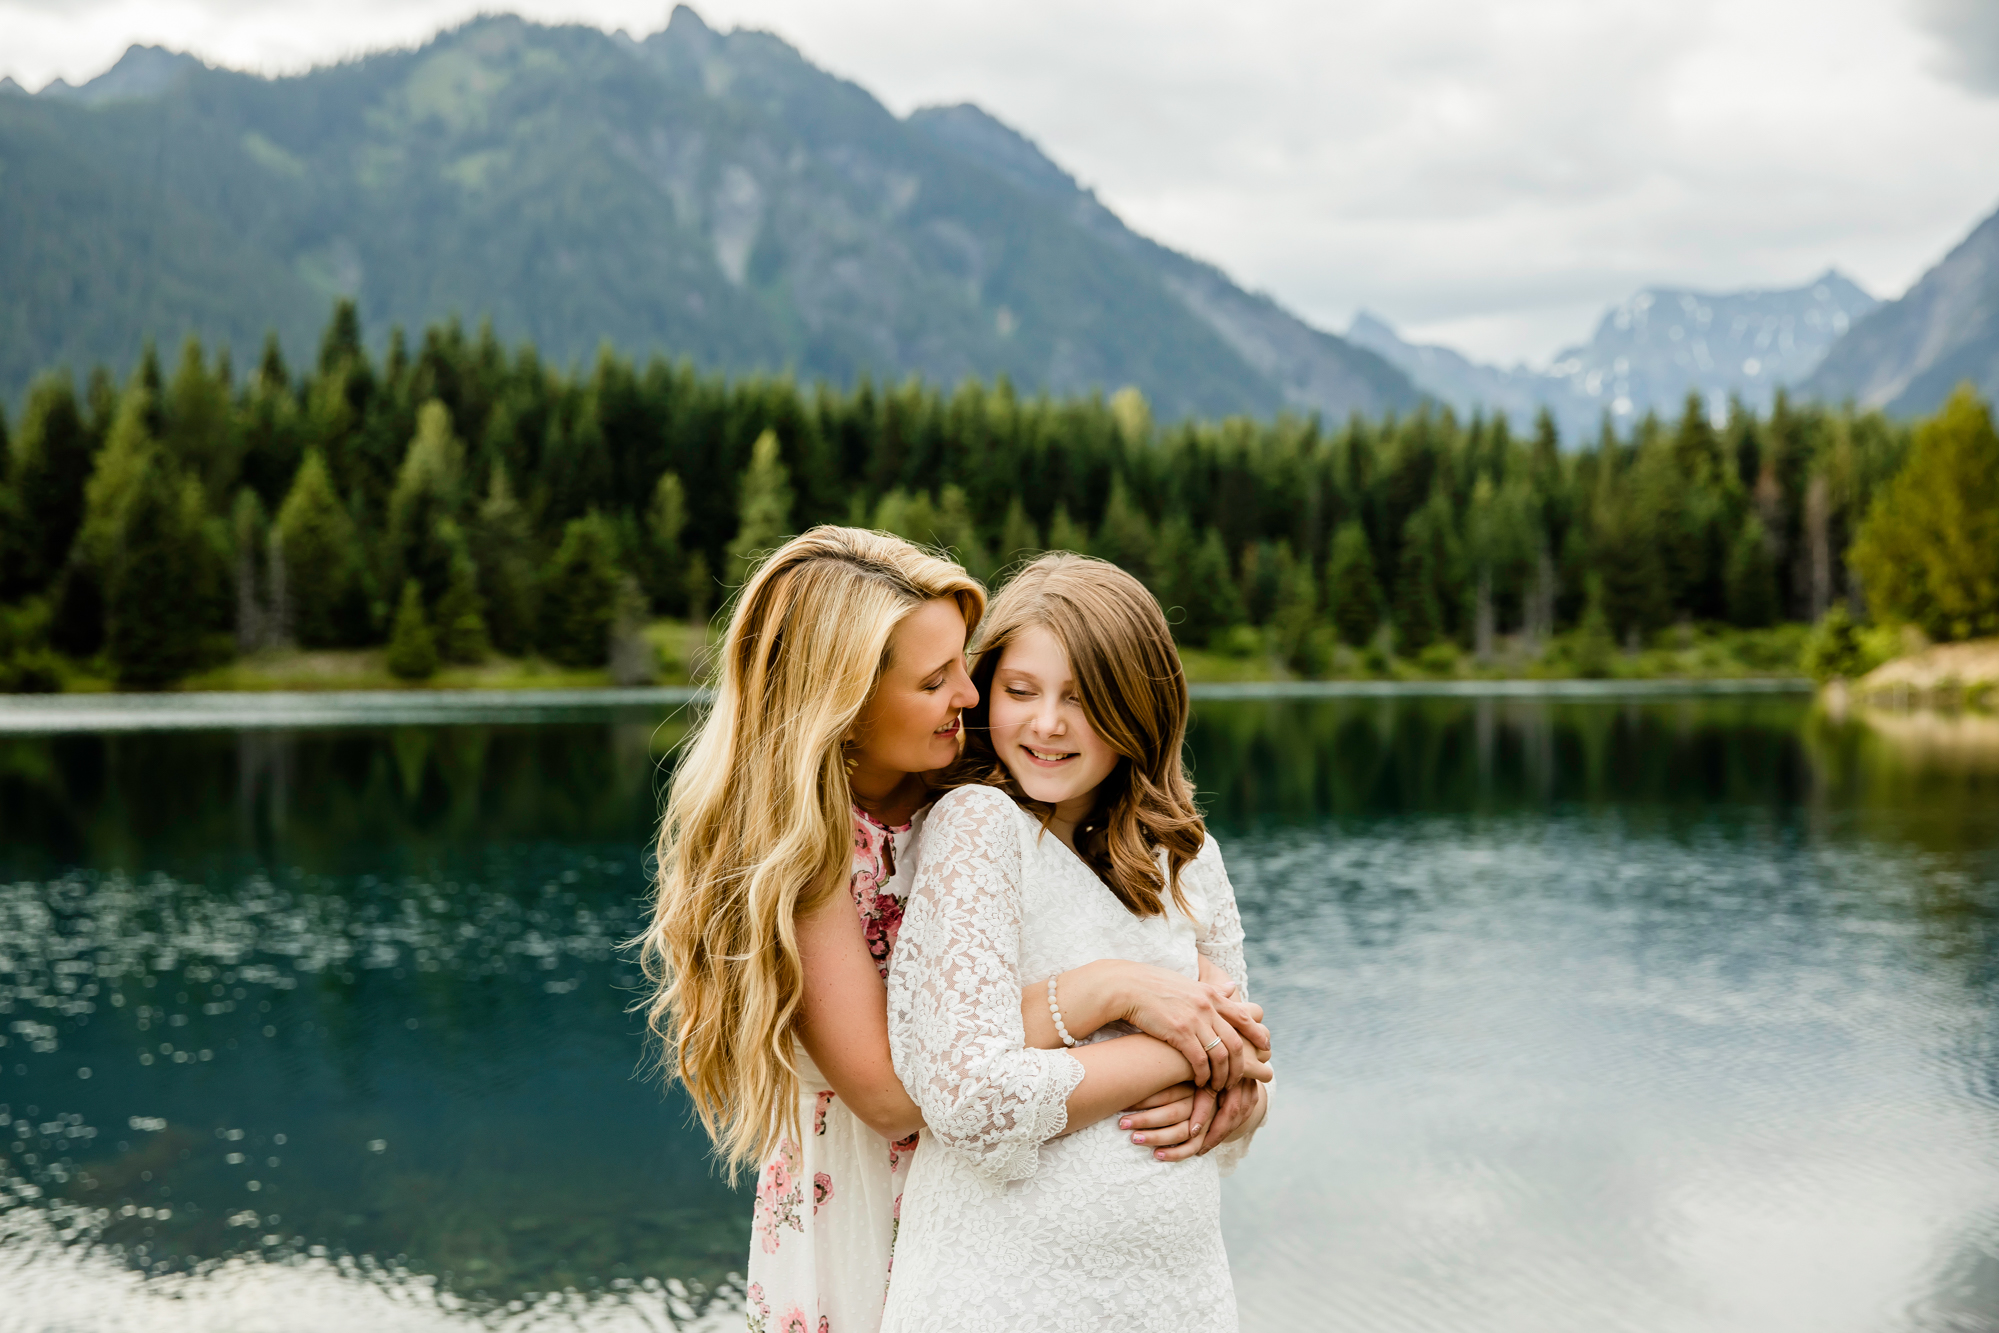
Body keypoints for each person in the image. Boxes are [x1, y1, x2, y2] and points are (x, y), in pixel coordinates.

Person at [638, 528, 1269, 1333]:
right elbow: (899, 1096)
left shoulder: (975, 787)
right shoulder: (806, 849)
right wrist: (1128, 1004)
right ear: (847, 703)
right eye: (937, 680)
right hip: (874, 1196)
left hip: (1024, 1207)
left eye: (966, 666)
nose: (969, 697)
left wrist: (1232, 1076)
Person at [881, 552, 1271, 1332]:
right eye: (1020, 691)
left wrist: (1243, 1095)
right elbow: (968, 1097)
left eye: (1083, 700)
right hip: (1004, 1289)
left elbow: (1248, 1067)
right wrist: (1153, 1021)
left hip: (1174, 1295)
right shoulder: (978, 827)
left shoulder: (1186, 858)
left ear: (1138, 708)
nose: (1047, 722)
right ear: (985, 689)